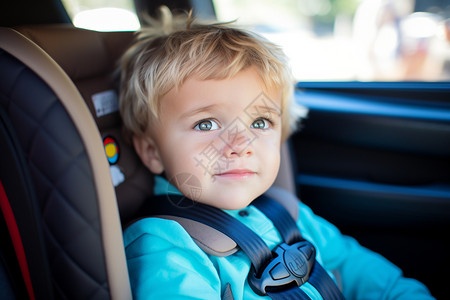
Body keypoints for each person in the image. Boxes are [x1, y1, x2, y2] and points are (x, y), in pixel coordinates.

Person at [119, 7, 434, 300]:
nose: (240, 143)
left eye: (259, 122)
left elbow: (369, 275)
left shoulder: (288, 214)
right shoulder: (164, 245)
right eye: (206, 124)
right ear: (152, 152)